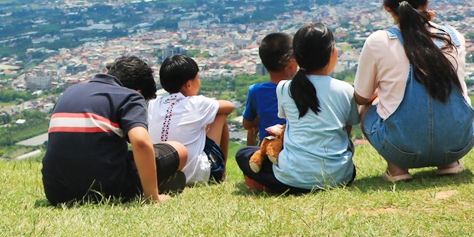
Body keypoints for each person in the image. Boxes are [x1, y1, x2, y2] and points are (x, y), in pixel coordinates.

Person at [354, 0, 474, 182]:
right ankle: (448, 163)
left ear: (387, 6)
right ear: (427, 2)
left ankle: (397, 169)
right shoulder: (452, 36)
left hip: (400, 149)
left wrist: (378, 95)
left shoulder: (378, 41)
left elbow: (361, 97)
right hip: (458, 145)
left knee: (366, 109)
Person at [42, 56, 189, 205]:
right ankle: (150, 188)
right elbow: (141, 142)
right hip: (106, 188)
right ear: (139, 91)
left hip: (56, 192)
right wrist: (152, 197)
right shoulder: (130, 96)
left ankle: (149, 185)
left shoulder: (70, 91)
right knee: (180, 150)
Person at [235, 23, 359, 193]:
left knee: (244, 153)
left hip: (292, 179)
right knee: (347, 145)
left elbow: (289, 126)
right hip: (341, 177)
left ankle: (264, 181)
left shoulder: (285, 88)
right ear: (332, 53)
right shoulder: (346, 89)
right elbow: (346, 133)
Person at [148, 54, 234, 185]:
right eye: (197, 78)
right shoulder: (196, 103)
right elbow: (229, 106)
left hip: (162, 172)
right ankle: (221, 174)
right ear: (188, 84)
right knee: (220, 115)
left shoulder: (154, 104)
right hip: (195, 174)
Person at [242, 32, 297, 147]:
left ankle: (254, 159)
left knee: (253, 126)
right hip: (296, 147)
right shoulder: (300, 89)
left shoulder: (256, 91)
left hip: (268, 151)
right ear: (291, 65)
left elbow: (247, 124)